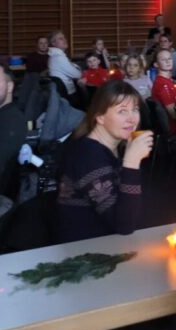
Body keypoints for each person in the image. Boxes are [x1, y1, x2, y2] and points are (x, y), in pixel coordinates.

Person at [56, 81, 153, 243]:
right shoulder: (88, 155)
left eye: (135, 109)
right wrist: (131, 163)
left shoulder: (113, 146)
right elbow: (124, 225)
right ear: (100, 117)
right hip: (85, 248)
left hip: (106, 241)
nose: (132, 119)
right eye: (122, 111)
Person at [151, 48, 176, 135]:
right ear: (156, 64)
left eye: (169, 58)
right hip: (175, 127)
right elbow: (174, 115)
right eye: (163, 59)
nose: (168, 61)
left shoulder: (167, 80)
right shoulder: (163, 84)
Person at [47, 30, 82, 97]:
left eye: (64, 37)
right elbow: (78, 75)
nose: (65, 40)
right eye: (60, 38)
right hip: (68, 95)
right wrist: (79, 69)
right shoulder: (58, 57)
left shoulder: (56, 55)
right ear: (53, 43)